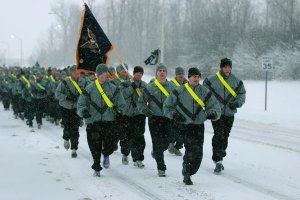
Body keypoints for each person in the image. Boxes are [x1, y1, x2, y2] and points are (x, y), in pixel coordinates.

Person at [164, 67, 221, 185]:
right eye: (194, 76)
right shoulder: (179, 91)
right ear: (188, 77)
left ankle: (190, 170)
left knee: (198, 153)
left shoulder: (205, 91)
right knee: (190, 149)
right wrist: (174, 115)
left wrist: (212, 113)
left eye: (198, 76)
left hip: (198, 125)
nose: (196, 79)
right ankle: (187, 172)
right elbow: (167, 106)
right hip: (184, 125)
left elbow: (215, 106)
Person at [77, 64, 127, 177]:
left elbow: (122, 104)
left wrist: (119, 112)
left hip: (109, 121)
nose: (104, 76)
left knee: (111, 144)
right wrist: (83, 111)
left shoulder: (114, 89)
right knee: (94, 145)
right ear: (97, 74)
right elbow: (81, 104)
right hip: (93, 121)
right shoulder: (88, 89)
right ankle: (96, 166)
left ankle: (106, 154)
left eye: (105, 73)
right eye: (101, 74)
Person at [203, 58, 246, 174]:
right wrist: (209, 106)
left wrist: (236, 103)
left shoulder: (236, 81)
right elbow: (204, 92)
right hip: (216, 113)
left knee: (225, 135)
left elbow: (242, 94)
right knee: (219, 134)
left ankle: (220, 152)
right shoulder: (211, 80)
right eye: (225, 67)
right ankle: (218, 160)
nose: (227, 69)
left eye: (229, 67)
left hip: (229, 113)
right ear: (221, 68)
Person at [137, 63, 176, 177]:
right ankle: (161, 167)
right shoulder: (150, 87)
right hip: (155, 119)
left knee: (167, 140)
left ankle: (156, 152)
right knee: (157, 142)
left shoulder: (172, 87)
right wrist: (146, 110)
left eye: (164, 70)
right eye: (160, 71)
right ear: (156, 73)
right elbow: (141, 102)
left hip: (168, 119)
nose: (162, 72)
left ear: (166, 73)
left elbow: (177, 102)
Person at [119, 66, 147, 167]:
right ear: (133, 74)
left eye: (141, 73)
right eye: (137, 72)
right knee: (126, 136)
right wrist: (132, 87)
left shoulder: (145, 85)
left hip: (139, 114)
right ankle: (125, 153)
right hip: (127, 114)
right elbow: (122, 95)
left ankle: (138, 158)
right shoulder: (125, 84)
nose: (139, 74)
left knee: (139, 137)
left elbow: (147, 98)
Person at [55, 65, 85, 158]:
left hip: (77, 108)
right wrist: (66, 97)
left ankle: (74, 149)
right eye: (74, 72)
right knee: (67, 127)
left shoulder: (83, 82)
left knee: (75, 129)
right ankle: (66, 139)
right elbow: (57, 94)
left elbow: (87, 93)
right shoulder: (64, 82)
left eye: (78, 72)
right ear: (71, 73)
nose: (77, 73)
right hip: (66, 108)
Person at [168, 66, 188, 156]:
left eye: (182, 74)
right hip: (175, 111)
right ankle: (171, 143)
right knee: (174, 129)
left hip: (186, 112)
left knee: (184, 131)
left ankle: (178, 147)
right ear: (176, 75)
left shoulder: (188, 84)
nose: (181, 76)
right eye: (179, 74)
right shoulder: (171, 84)